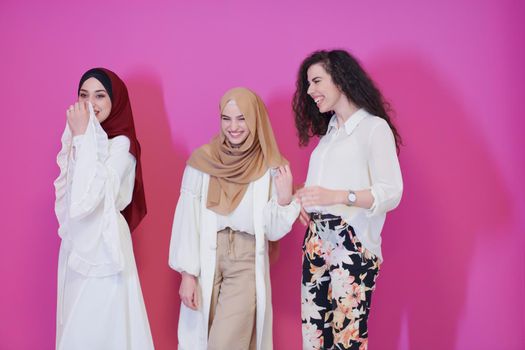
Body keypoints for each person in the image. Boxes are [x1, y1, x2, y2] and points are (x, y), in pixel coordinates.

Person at [169, 87, 300, 350]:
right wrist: (187, 274)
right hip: (207, 256)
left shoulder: (271, 167)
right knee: (201, 341)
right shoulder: (202, 161)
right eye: (226, 118)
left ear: (255, 119)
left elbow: (272, 232)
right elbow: (187, 219)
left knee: (223, 344)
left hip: (245, 261)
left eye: (242, 118)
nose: (234, 127)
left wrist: (285, 200)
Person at [292, 50, 403, 349]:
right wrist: (307, 199)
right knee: (314, 336)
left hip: (351, 243)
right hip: (316, 242)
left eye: (316, 81)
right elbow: (325, 187)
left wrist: (337, 196)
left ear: (340, 79)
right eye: (307, 84)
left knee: (346, 338)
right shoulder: (328, 136)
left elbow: (391, 191)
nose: (310, 91)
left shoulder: (373, 129)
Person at [54, 68, 154, 349]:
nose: (91, 103)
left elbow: (95, 196)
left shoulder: (123, 144)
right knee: (74, 320)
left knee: (103, 323)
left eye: (100, 95)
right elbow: (71, 198)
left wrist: (83, 137)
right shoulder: (80, 136)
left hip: (106, 243)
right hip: (78, 242)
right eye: (84, 95)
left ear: (115, 100)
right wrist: (81, 138)